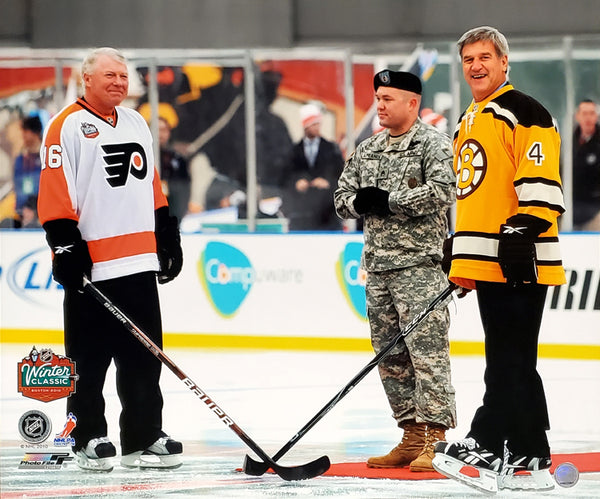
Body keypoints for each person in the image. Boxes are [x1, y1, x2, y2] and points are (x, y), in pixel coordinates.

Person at [432, 27, 566, 493]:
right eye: (468, 58)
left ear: (504, 62)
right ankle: (532, 458)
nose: (476, 65)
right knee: (512, 359)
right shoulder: (468, 119)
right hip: (488, 257)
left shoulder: (524, 110)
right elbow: (476, 192)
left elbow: (540, 175)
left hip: (520, 257)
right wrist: (460, 244)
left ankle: (486, 441)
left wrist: (525, 227)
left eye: (485, 56)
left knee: (508, 357)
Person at [37, 47, 184, 472]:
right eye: (109, 75)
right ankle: (86, 437)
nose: (119, 83)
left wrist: (166, 235)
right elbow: (55, 191)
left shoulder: (137, 122)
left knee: (144, 356)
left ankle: (143, 436)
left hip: (138, 262)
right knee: (87, 359)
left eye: (123, 76)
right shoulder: (65, 126)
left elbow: (151, 186)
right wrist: (65, 245)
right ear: (86, 79)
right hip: (93, 267)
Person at [334, 70, 457, 472]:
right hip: (379, 269)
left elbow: (444, 190)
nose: (380, 105)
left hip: (419, 267)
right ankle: (410, 433)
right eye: (378, 97)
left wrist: (390, 202)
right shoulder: (367, 149)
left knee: (428, 355)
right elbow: (341, 198)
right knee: (390, 357)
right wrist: (360, 204)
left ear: (412, 103)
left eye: (388, 98)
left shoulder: (433, 144)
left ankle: (435, 438)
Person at [286, 103, 345, 230]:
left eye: (318, 124)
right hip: (302, 214)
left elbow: (342, 175)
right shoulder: (294, 151)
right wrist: (297, 182)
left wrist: (327, 182)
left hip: (327, 214)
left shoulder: (331, 149)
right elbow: (286, 177)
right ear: (305, 126)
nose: (317, 127)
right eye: (313, 124)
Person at [158, 116, 191, 224]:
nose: (160, 134)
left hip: (171, 210)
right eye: (156, 129)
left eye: (163, 130)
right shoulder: (141, 156)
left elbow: (183, 187)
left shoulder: (177, 158)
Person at [573, 99, 600, 231]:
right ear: (577, 116)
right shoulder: (568, 141)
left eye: (591, 113)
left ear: (596, 116)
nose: (588, 118)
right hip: (571, 207)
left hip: (595, 209)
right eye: (584, 113)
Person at [13, 115, 43, 218]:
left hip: (44, 209)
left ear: (35, 133)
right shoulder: (20, 160)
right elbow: (18, 186)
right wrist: (23, 208)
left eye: (26, 131)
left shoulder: (47, 156)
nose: (23, 136)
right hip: (25, 212)